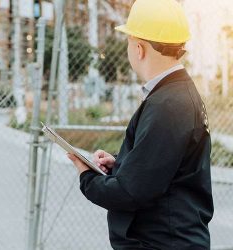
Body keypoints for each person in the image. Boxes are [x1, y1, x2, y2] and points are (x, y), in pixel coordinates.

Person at [67, 0, 214, 249]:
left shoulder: (168, 104)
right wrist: (121, 163)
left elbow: (129, 193)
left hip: (161, 243)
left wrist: (86, 175)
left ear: (139, 48)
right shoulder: (176, 93)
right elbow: (163, 166)